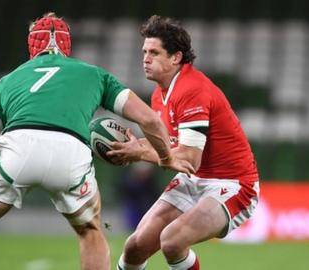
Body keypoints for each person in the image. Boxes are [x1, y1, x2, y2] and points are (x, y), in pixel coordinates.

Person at [0, 12, 194, 270]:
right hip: (70, 151)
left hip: (19, 148)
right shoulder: (94, 74)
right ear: (67, 45)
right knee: (90, 231)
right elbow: (149, 120)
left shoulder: (7, 81)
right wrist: (166, 158)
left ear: (32, 45)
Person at [108, 15, 260, 270]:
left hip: (232, 185)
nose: (146, 58)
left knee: (172, 240)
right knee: (135, 247)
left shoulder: (192, 89)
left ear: (176, 57)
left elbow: (188, 159)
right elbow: (170, 145)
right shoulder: (161, 93)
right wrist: (131, 147)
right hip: (194, 180)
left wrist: (139, 153)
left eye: (154, 52)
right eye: (144, 51)